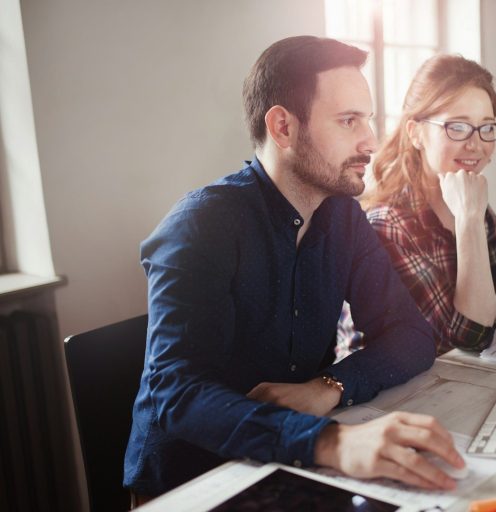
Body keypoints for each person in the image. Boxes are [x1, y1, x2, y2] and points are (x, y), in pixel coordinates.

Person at [123, 36, 465, 502]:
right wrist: (330, 441)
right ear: (283, 127)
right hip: (196, 483)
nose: (370, 140)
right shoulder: (200, 225)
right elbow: (177, 394)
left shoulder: (344, 217)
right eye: (348, 121)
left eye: (367, 119)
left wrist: (329, 387)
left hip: (291, 469)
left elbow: (409, 335)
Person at [338, 54, 496, 358]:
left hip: (445, 383)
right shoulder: (388, 225)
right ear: (416, 133)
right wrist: (468, 219)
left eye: (487, 127)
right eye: (457, 127)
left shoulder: (469, 199)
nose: (476, 144)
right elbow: (469, 339)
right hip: (387, 398)